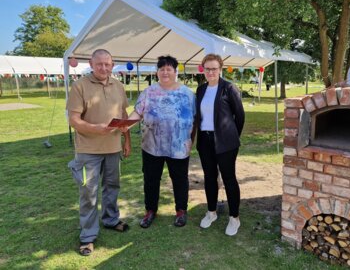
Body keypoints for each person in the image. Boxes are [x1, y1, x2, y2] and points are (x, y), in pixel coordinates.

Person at [67, 49, 131, 256]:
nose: (104, 68)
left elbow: (123, 114)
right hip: (88, 150)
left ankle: (111, 220)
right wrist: (97, 129)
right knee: (88, 193)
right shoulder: (79, 86)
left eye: (107, 64)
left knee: (112, 186)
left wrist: (126, 138)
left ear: (112, 65)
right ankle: (87, 236)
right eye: (100, 64)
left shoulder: (118, 85)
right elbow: (73, 119)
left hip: (113, 148)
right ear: (91, 64)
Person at [128, 55, 196, 228]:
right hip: (152, 146)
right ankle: (150, 210)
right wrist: (126, 124)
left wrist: (191, 140)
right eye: (162, 69)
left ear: (175, 71)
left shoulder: (188, 94)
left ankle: (181, 210)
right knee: (151, 179)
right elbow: (138, 112)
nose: (165, 72)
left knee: (180, 180)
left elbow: (196, 120)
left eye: (169, 69)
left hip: (179, 147)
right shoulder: (148, 92)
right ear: (157, 72)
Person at [196, 53, 245, 236]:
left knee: (229, 178)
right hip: (205, 141)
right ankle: (211, 212)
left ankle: (234, 217)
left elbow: (240, 116)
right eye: (207, 69)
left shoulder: (229, 88)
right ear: (203, 70)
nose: (211, 72)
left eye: (214, 68)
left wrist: (232, 137)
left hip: (226, 143)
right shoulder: (200, 90)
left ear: (220, 69)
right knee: (209, 177)